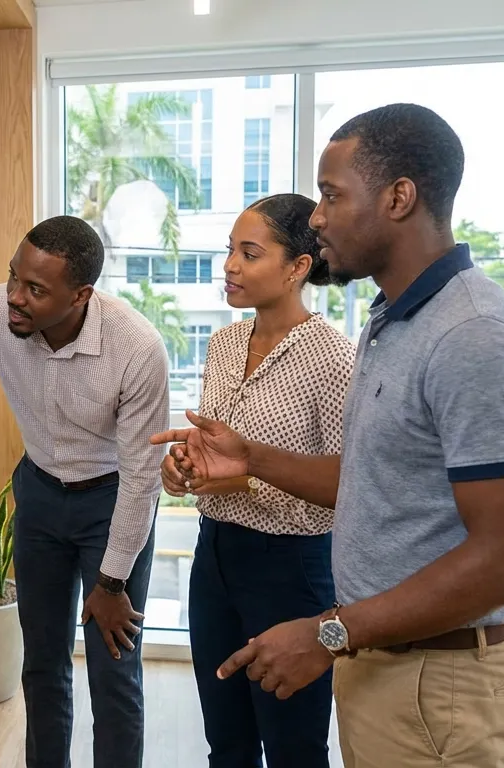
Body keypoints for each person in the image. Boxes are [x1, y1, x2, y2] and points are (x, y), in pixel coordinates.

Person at [152, 103, 504, 768]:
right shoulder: (393, 321)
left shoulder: (473, 335)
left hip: (438, 680)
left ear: (399, 198)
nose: (316, 216)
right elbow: (363, 479)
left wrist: (330, 631)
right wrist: (248, 456)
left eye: (332, 195)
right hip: (383, 657)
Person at [0, 215, 171, 768]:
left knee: (113, 670)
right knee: (42, 664)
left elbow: (143, 477)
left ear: (81, 295)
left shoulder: (137, 348)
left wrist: (112, 582)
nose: (15, 298)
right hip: (41, 496)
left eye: (36, 290)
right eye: (13, 278)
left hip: (112, 503)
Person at [161, 193, 352, 767]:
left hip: (291, 569)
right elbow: (216, 453)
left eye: (249, 253)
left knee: (293, 746)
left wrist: (239, 480)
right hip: (214, 556)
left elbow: (347, 485)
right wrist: (185, 470)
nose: (230, 267)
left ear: (298, 267)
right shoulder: (221, 344)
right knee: (227, 740)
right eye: (229, 251)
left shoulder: (334, 359)